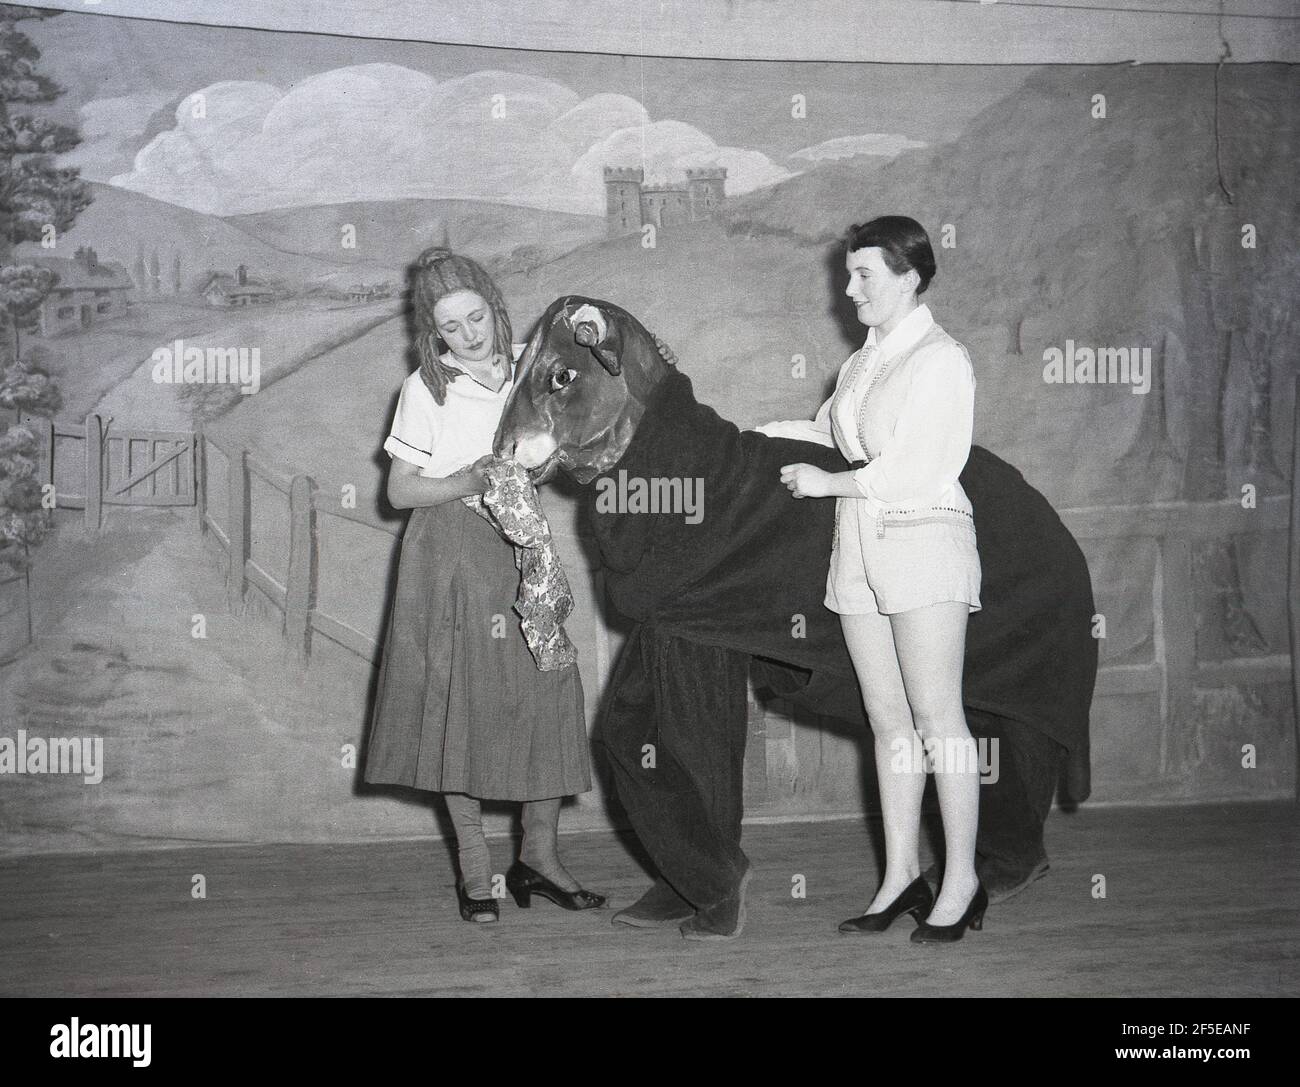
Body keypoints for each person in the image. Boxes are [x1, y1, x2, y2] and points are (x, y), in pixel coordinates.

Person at [364, 246, 604, 923]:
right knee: (461, 701)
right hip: (451, 549)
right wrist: (469, 479)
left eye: (477, 318)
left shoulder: (532, 366)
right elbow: (400, 488)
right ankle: (476, 871)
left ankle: (541, 858)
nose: (470, 335)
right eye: (452, 327)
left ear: (495, 309)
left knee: (549, 686)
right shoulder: (428, 387)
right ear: (433, 333)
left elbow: (571, 426)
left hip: (522, 544)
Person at [772, 216, 986, 943]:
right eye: (849, 272)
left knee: (938, 719)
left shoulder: (941, 359)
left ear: (910, 276)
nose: (849, 286)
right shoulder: (864, 363)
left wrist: (830, 481)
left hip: (924, 544)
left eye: (864, 274)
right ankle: (901, 875)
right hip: (860, 550)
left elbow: (921, 466)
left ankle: (961, 878)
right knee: (888, 721)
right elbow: (821, 433)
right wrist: (739, 434)